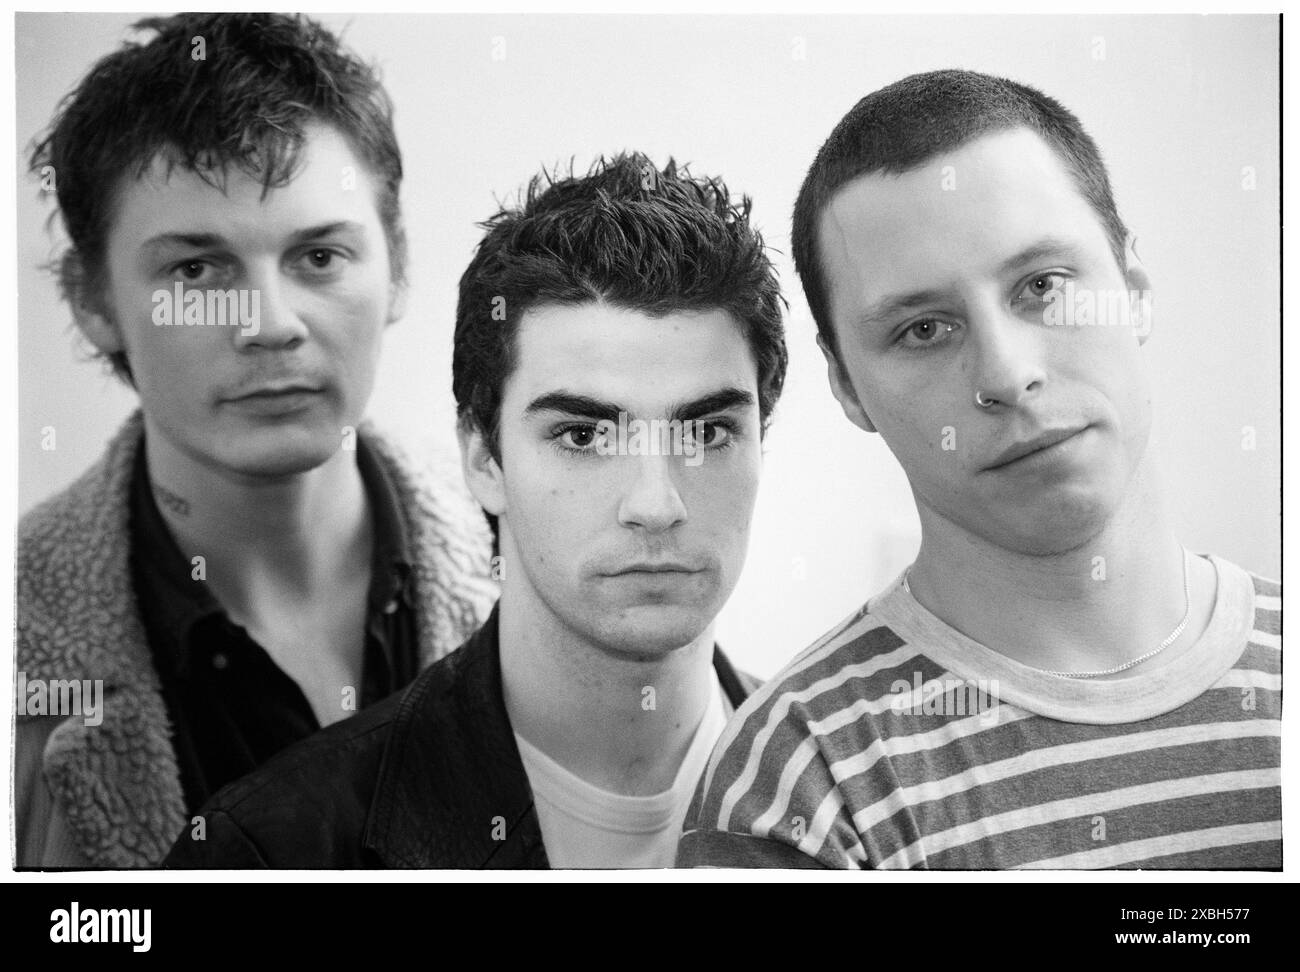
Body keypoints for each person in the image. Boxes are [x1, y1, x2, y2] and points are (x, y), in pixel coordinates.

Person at [679, 69, 1281, 869]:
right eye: (925, 329)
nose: (1005, 372)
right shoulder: (799, 782)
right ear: (849, 388)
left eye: (1042, 285)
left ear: (1133, 288)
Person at [162, 152, 788, 868]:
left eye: (707, 433)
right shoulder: (276, 852)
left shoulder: (860, 796)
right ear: (483, 459)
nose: (656, 503)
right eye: (582, 436)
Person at [16, 12, 497, 868]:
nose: (270, 325)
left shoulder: (538, 562)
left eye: (318, 258)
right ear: (92, 300)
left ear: (399, 267)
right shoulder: (22, 641)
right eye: (196, 269)